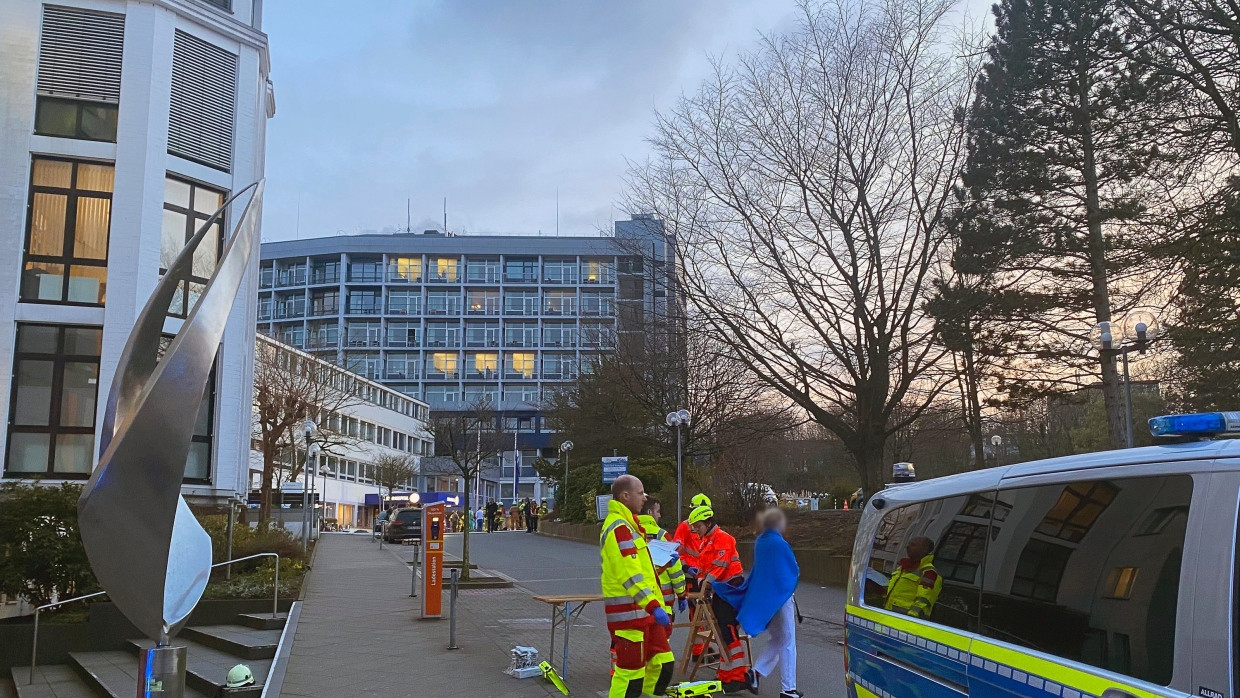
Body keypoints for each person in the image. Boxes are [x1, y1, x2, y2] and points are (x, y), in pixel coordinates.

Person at [714, 508, 801, 698]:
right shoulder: (778, 543)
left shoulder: (761, 541)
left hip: (768, 598)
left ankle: (756, 673)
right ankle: (788, 688)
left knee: (779, 639)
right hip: (781, 596)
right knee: (787, 640)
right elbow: (791, 569)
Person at [600, 474, 674, 698]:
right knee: (630, 677)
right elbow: (629, 576)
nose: (645, 497)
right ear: (625, 496)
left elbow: (641, 571)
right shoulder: (619, 528)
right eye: (640, 493)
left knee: (662, 666)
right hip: (629, 617)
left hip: (644, 613)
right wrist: (654, 606)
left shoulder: (630, 527)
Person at [689, 505, 749, 693]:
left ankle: (739, 676)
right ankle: (726, 675)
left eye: (698, 526)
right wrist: (701, 585)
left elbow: (720, 566)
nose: (696, 531)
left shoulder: (723, 538)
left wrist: (705, 585)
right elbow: (703, 567)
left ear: (708, 523)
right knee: (722, 632)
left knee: (728, 630)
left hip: (730, 588)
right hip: (719, 590)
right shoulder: (705, 543)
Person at [637, 497, 687, 688]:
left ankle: (637, 674)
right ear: (650, 513)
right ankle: (652, 679)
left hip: (639, 599)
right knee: (659, 643)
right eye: (658, 511)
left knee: (641, 640)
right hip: (662, 601)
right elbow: (674, 570)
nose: (660, 515)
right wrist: (682, 594)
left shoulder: (632, 532)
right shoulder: (662, 535)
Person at [884, 535, 941, 619]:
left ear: (924, 550)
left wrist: (911, 618)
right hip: (890, 615)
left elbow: (924, 599)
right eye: (908, 544)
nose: (907, 546)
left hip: (906, 620)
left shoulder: (929, 572)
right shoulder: (903, 567)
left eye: (913, 545)